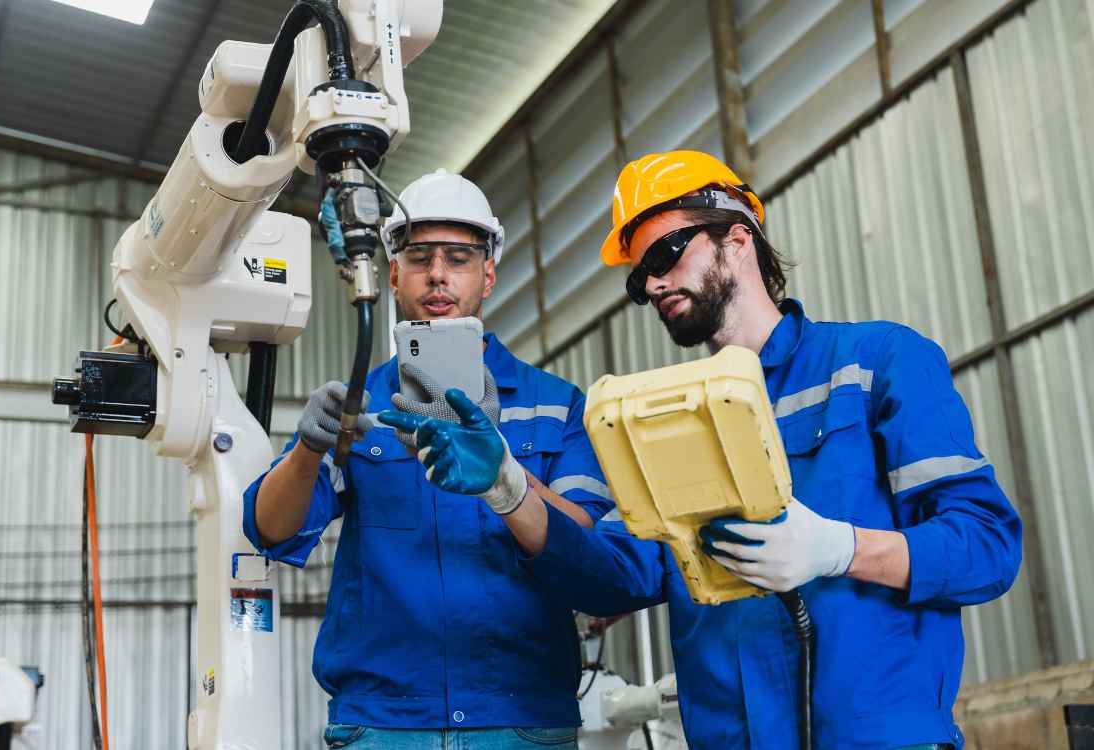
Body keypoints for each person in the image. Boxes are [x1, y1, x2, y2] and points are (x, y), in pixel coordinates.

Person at [381, 152, 1023, 749]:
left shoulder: (874, 364)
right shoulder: (663, 418)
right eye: (640, 277)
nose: (655, 284)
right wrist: (509, 487)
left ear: (737, 237)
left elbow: (987, 547)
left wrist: (841, 550)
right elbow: (614, 576)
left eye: (665, 252)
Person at [243, 168, 613, 749]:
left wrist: (505, 475)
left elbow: (588, 544)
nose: (438, 274)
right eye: (420, 257)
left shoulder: (554, 407)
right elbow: (271, 528)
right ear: (392, 273)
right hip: (384, 725)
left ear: (488, 273)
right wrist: (308, 451)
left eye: (459, 257)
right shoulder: (359, 409)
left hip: (520, 721)